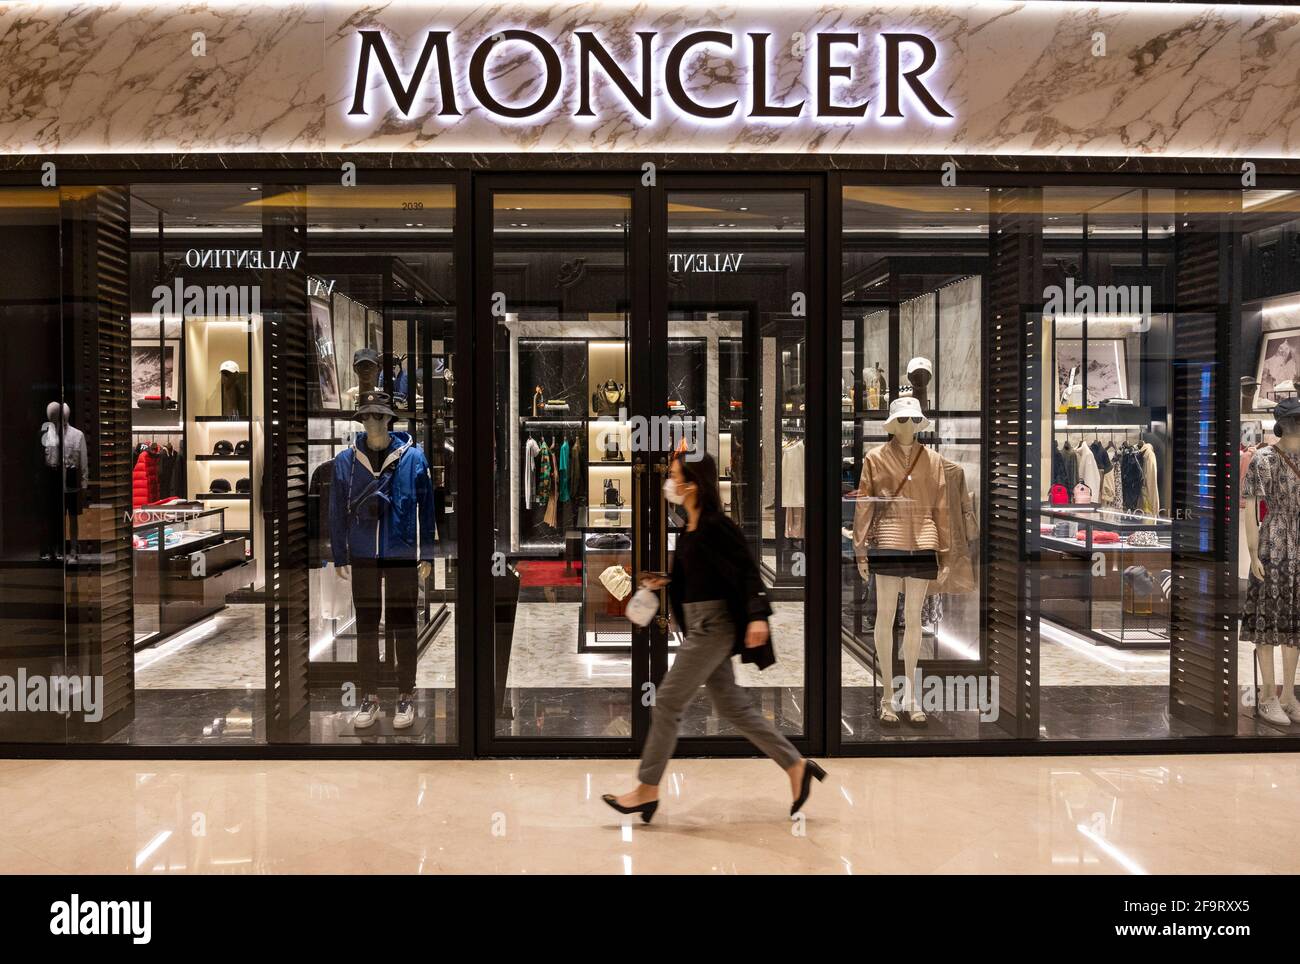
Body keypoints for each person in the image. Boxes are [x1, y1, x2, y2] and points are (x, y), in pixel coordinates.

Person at [602, 452, 825, 824]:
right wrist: (665, 581)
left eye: (673, 476)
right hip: (700, 623)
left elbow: (747, 570)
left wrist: (757, 617)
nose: (668, 483)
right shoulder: (689, 524)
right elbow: (704, 573)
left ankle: (646, 790)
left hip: (713, 627)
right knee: (733, 707)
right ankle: (796, 766)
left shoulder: (715, 524)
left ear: (692, 484)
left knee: (668, 701)